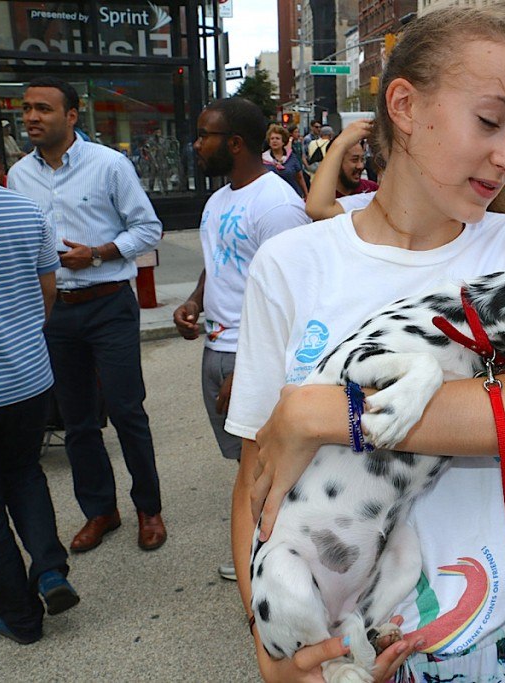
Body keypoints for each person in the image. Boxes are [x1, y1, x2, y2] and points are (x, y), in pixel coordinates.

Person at [224, 9, 505, 682]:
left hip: (492, 645)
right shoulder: (290, 264)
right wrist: (268, 639)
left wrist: (327, 413)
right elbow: (257, 477)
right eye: (490, 121)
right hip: (340, 653)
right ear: (404, 105)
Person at [7, 76, 166, 554]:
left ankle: (148, 509)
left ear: (72, 116)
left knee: (125, 409)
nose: (31, 117)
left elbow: (149, 227)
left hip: (108, 303)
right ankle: (101, 511)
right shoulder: (19, 176)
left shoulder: (109, 165)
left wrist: (97, 252)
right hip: (56, 313)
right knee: (76, 421)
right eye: (27, 109)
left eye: (43, 109)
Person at [172, 97, 309, 582]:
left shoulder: (278, 206)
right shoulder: (219, 199)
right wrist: (195, 300)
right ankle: (262, 546)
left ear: (233, 143)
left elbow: (298, 298)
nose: (195, 143)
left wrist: (255, 375)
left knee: (266, 461)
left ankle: (270, 560)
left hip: (251, 357)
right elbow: (222, 263)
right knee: (245, 464)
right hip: (218, 347)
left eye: (204, 134)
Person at [0, 164, 81, 645]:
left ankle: (20, 617)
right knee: (24, 473)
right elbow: (47, 291)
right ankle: (50, 568)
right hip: (27, 379)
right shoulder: (20, 207)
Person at [304, 118, 379, 220]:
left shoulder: (372, 190)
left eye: (363, 159)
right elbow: (317, 210)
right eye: (354, 160)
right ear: (336, 162)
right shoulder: (320, 197)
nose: (360, 166)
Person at [262, 124, 307, 199]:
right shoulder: (263, 159)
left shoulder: (292, 157)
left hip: (292, 196)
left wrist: (306, 194)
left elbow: (299, 177)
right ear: (269, 142)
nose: (274, 141)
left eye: (277, 138)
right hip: (271, 198)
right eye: (272, 139)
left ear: (283, 142)